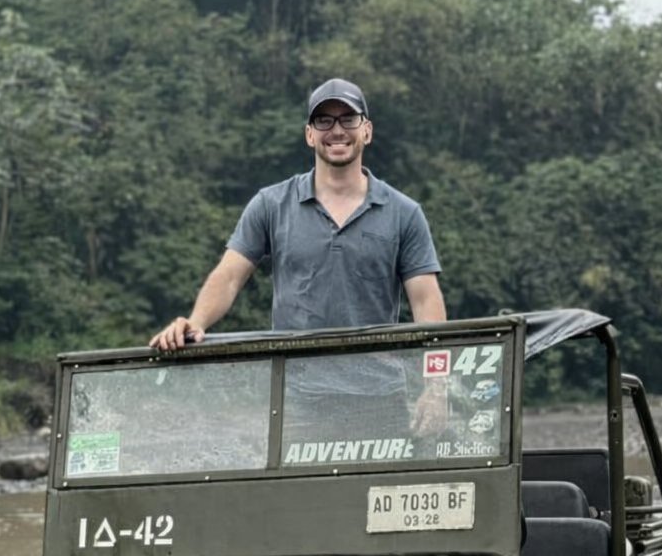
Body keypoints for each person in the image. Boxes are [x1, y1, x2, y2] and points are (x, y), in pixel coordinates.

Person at [150, 78, 447, 351]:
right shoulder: (271, 204)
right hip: (291, 393)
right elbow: (228, 277)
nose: (337, 130)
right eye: (324, 121)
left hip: (379, 393)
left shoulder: (404, 213)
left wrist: (436, 388)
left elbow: (425, 303)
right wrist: (196, 322)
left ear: (366, 130)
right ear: (309, 134)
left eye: (348, 119)